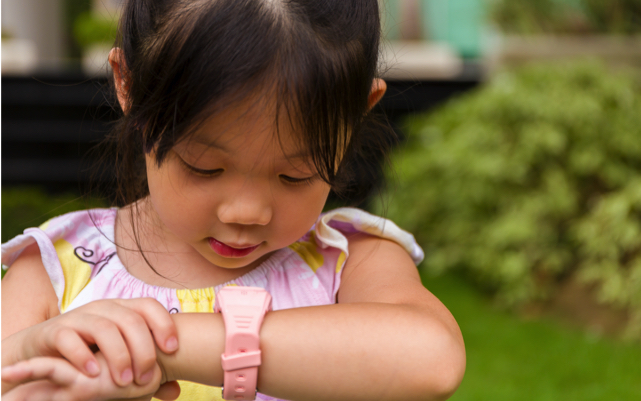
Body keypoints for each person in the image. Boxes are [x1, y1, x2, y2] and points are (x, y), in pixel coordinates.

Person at [1, 0, 466, 400]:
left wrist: (163, 348)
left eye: (293, 175)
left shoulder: (349, 262)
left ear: (356, 115)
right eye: (205, 167)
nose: (246, 213)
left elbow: (433, 359)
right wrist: (31, 354)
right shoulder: (58, 270)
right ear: (129, 86)